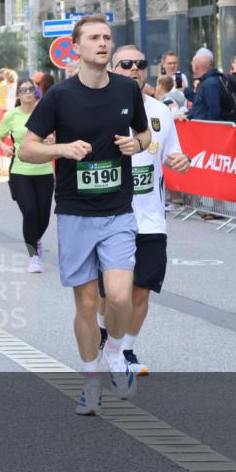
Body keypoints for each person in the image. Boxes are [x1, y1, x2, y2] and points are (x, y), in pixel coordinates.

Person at [17, 15, 151, 412]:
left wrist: (136, 145)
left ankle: (114, 350)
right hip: (75, 212)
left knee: (121, 296)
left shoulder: (127, 89)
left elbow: (143, 134)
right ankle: (91, 379)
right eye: (94, 37)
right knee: (88, 304)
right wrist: (62, 150)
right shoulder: (59, 96)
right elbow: (27, 149)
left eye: (107, 37)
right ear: (77, 47)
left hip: (117, 211)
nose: (103, 43)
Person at [96, 45, 190, 377]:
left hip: (150, 219)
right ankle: (106, 335)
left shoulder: (160, 112)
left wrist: (182, 161)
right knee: (112, 295)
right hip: (108, 217)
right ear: (112, 68)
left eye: (140, 64)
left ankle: (125, 350)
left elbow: (173, 154)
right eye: (127, 64)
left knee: (141, 290)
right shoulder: (97, 107)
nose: (135, 68)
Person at [0, 78, 55, 273]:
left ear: (36, 92)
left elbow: (59, 134)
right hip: (20, 171)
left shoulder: (45, 111)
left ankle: (35, 240)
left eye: (31, 89)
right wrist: (5, 147)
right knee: (30, 212)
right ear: (19, 95)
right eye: (24, 90)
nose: (28, 92)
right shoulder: (12, 115)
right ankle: (33, 256)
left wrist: (53, 140)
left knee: (44, 217)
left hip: (44, 170)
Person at [187, 48, 226, 121]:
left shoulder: (209, 84)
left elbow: (214, 114)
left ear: (195, 66)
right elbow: (200, 104)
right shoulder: (210, 81)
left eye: (192, 63)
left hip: (207, 129)